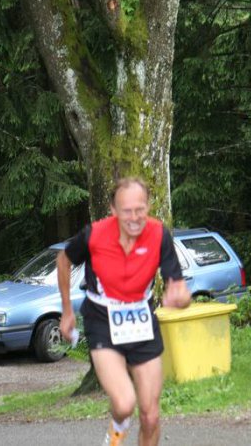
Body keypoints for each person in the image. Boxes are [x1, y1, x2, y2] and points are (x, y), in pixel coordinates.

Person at [57, 177, 191, 446]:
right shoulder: (94, 235)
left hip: (142, 319)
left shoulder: (159, 235)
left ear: (148, 206)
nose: (134, 217)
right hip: (102, 320)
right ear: (113, 210)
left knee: (151, 416)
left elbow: (178, 286)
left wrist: (181, 298)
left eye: (140, 209)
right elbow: (63, 260)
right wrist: (67, 311)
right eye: (127, 211)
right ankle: (117, 430)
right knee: (124, 403)